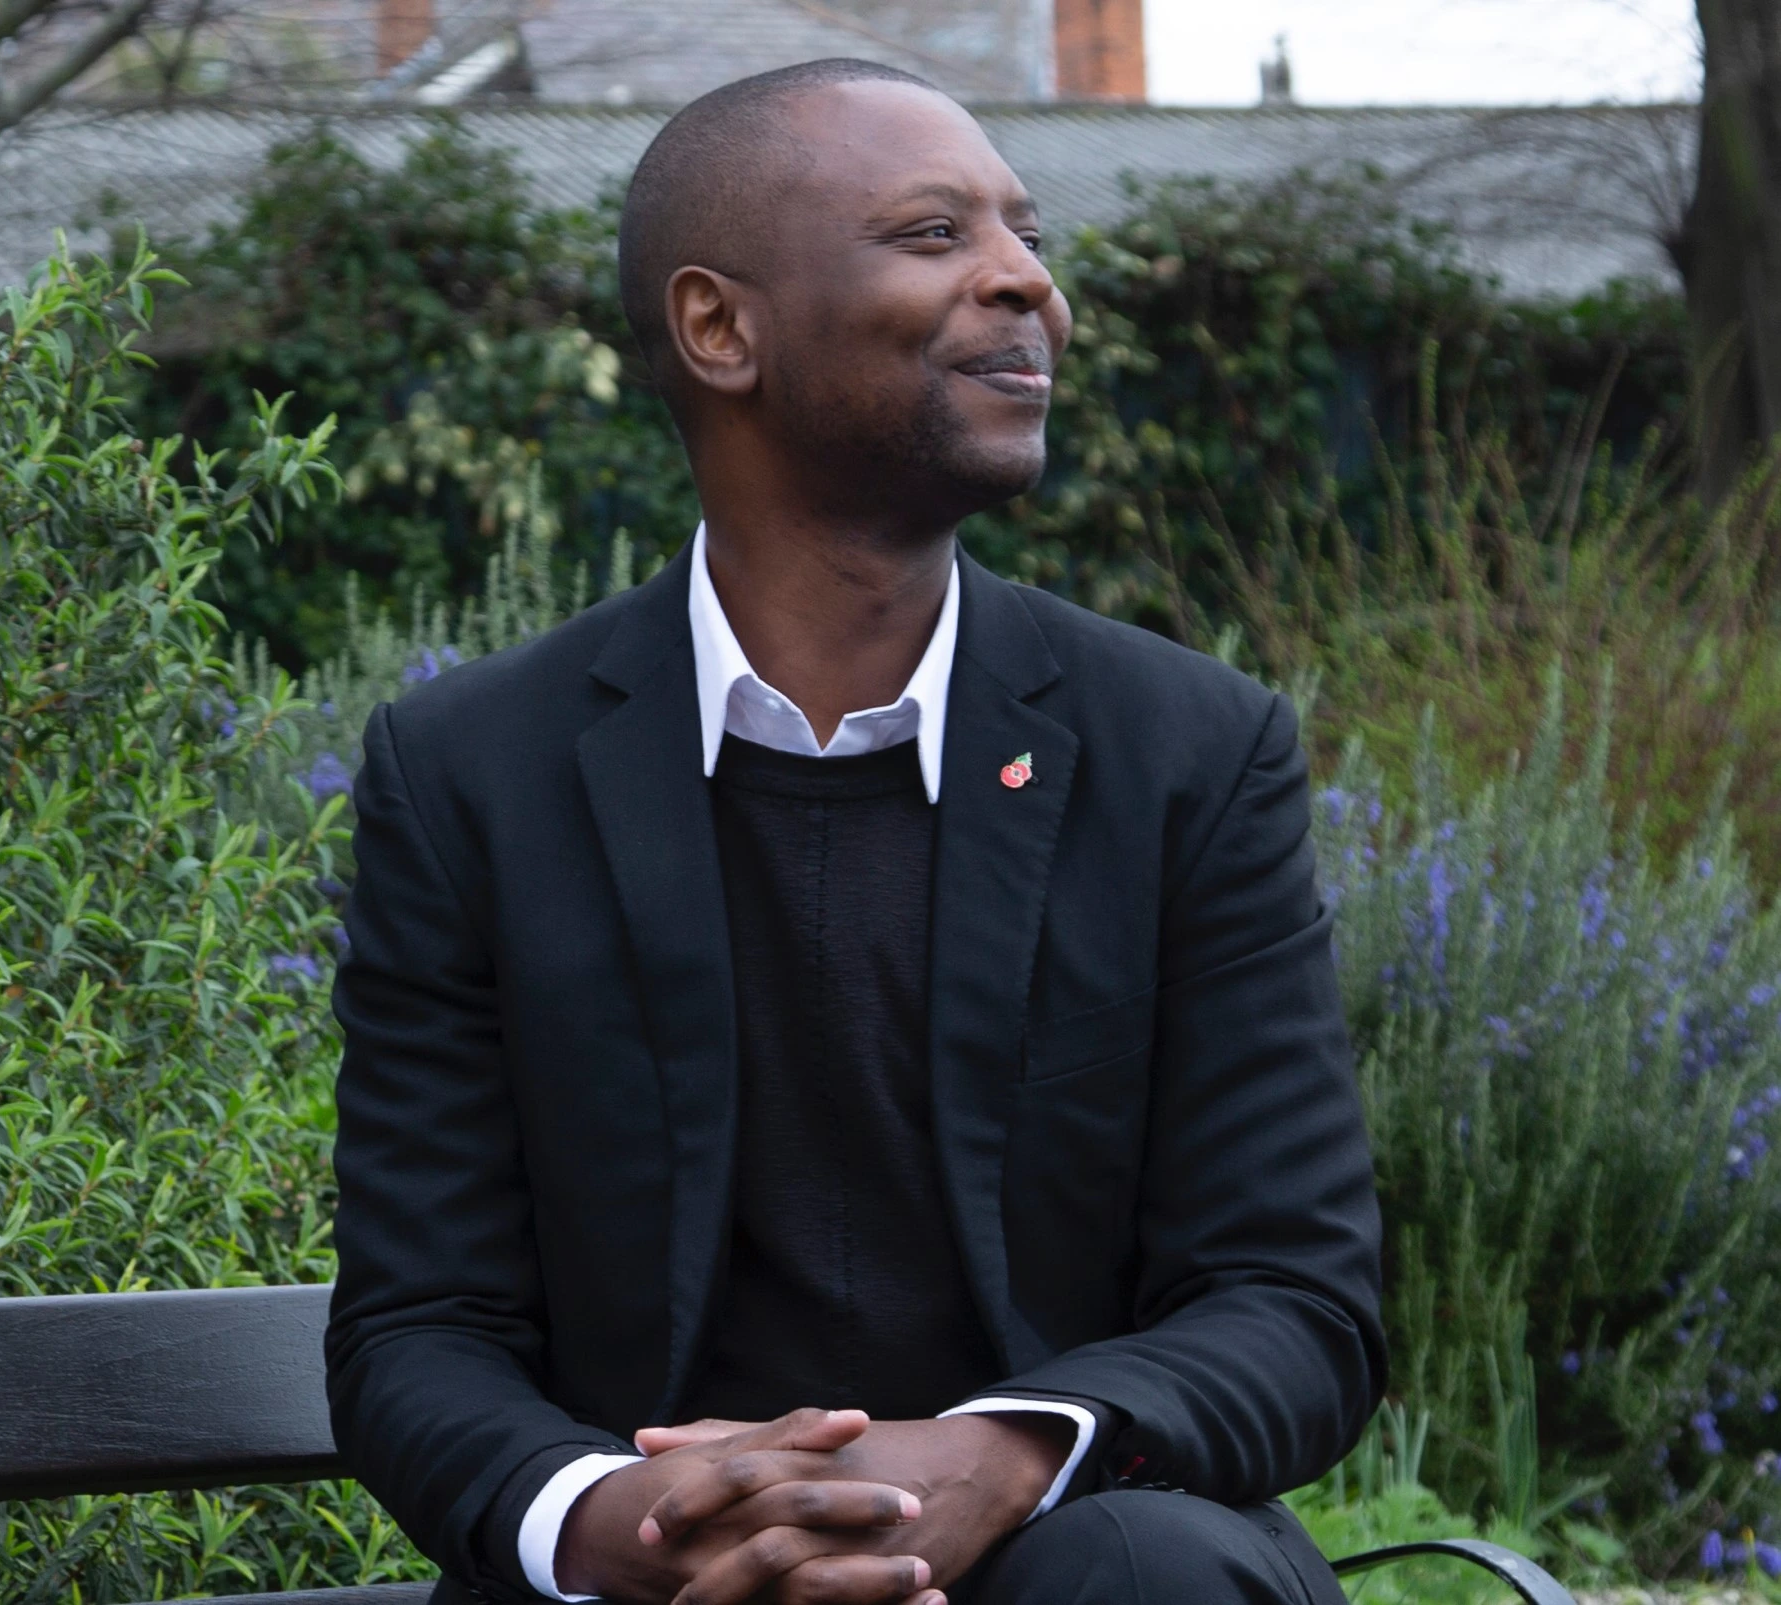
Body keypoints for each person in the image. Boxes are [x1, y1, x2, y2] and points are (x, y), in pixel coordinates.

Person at [326, 57, 1385, 1605]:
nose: (1027, 282)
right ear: (718, 327)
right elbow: (420, 1328)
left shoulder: (1185, 751)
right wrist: (626, 1518)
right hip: (659, 1579)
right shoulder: (473, 773)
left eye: (1023, 235)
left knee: (1148, 1573)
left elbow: (1293, 1298)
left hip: (1068, 1560)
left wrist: (1009, 1450)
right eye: (931, 233)